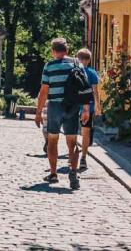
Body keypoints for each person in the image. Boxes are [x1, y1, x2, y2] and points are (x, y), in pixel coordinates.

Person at [35, 38, 89, 190]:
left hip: (55, 107)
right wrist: (85, 109)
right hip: (73, 107)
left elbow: (44, 91)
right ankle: (73, 172)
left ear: (53, 51)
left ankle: (53, 174)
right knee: (72, 142)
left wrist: (38, 113)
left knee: (52, 140)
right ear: (67, 50)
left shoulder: (49, 66)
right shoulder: (77, 63)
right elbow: (84, 87)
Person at [75, 48, 100, 172]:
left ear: (77, 58)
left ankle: (73, 154)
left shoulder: (73, 71)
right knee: (86, 133)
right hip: (88, 106)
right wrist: (97, 106)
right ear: (89, 60)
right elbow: (95, 91)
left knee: (73, 131)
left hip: (75, 106)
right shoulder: (92, 73)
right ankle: (83, 158)